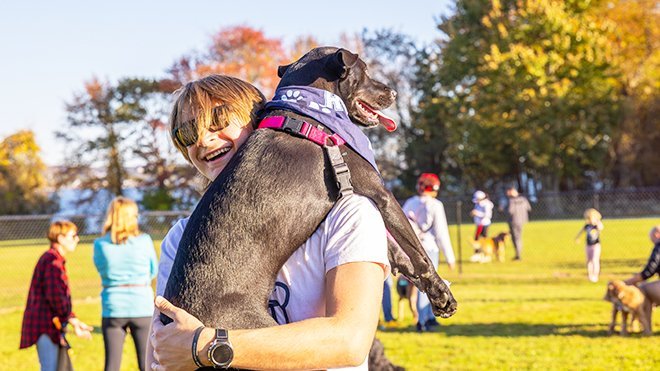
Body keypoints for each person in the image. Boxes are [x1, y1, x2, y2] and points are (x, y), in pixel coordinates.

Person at [147, 74, 389, 370]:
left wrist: (209, 345)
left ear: (262, 121)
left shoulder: (346, 214)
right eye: (187, 134)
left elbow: (349, 340)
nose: (203, 139)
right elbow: (162, 352)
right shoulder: (182, 237)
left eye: (219, 119)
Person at [93, 197, 158, 371]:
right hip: (141, 305)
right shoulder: (144, 240)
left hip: (113, 306)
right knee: (146, 363)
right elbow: (153, 270)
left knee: (112, 365)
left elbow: (101, 269)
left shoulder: (100, 244)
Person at [20, 220, 93, 371]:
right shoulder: (52, 261)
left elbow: (59, 298)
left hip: (50, 324)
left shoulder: (54, 259)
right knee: (50, 367)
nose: (77, 239)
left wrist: (73, 320)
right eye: (73, 236)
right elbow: (56, 298)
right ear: (60, 238)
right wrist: (71, 319)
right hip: (45, 325)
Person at [402, 173, 455, 332]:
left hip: (412, 250)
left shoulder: (410, 203)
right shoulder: (435, 205)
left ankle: (430, 317)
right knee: (429, 285)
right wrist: (450, 257)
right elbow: (441, 233)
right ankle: (423, 320)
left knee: (420, 284)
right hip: (429, 249)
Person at [624, 225, 660, 305]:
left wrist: (629, 282)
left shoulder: (658, 246)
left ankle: (644, 317)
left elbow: (649, 271)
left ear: (656, 235)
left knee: (642, 290)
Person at [574, 208, 604, 282]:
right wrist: (577, 238)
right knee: (589, 261)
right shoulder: (587, 226)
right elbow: (581, 232)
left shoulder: (596, 226)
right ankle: (590, 275)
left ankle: (595, 275)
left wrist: (597, 221)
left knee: (595, 260)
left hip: (596, 245)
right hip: (588, 245)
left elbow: (601, 227)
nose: (589, 220)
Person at [503, 185, 531, 260]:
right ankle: (518, 253)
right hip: (522, 220)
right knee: (519, 237)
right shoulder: (524, 199)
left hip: (513, 221)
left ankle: (518, 255)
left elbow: (510, 211)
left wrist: (502, 209)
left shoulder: (511, 201)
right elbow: (528, 208)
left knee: (515, 238)